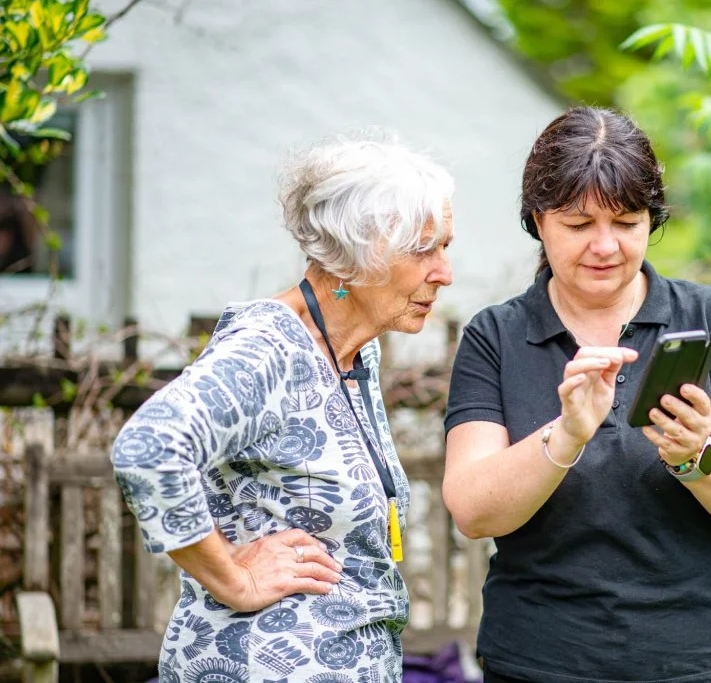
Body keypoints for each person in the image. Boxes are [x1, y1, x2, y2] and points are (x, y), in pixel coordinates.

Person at [442, 107, 711, 683]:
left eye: (627, 223)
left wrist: (697, 456)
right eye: (579, 225)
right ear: (539, 221)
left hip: (700, 662)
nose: (604, 246)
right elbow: (474, 511)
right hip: (541, 663)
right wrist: (567, 434)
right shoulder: (497, 336)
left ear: (651, 222)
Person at [111, 136, 455, 681]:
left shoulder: (354, 347)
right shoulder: (270, 349)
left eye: (445, 248)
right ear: (356, 251)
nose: (444, 272)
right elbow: (148, 448)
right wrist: (232, 578)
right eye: (423, 250)